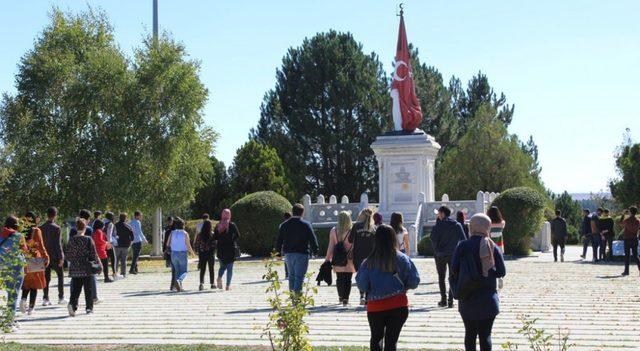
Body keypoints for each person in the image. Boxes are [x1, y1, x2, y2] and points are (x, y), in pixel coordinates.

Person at [356, 224, 420, 351]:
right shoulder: (403, 259)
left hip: (375, 307)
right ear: (393, 238)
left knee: (376, 339)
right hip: (398, 306)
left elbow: (362, 285)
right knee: (391, 342)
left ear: (376, 240)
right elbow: (414, 281)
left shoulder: (368, 262)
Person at [451, 213, 506, 351]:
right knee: (485, 336)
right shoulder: (492, 246)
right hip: (488, 300)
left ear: (471, 227)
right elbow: (501, 272)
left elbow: (453, 268)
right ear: (488, 227)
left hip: (467, 298)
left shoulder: (462, 246)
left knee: (469, 335)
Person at [276, 204, 319, 294]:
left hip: (288, 254)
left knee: (291, 276)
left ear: (292, 212)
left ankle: (293, 297)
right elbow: (312, 238)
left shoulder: (284, 225)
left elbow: (279, 240)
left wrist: (278, 254)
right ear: (302, 213)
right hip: (302, 253)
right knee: (299, 277)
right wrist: (315, 251)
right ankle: (296, 298)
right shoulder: (306, 225)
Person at [430, 206, 466, 308]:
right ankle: (451, 301)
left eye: (439, 213)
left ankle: (443, 300)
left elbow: (432, 239)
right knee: (452, 277)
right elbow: (463, 240)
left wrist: (436, 250)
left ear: (442, 214)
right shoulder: (457, 225)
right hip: (453, 254)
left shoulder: (437, 226)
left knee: (441, 277)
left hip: (440, 255)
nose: (438, 215)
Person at [66, 218, 101, 316]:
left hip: (74, 268)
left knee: (75, 289)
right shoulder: (88, 239)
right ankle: (89, 308)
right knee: (88, 289)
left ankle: (72, 304)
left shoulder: (71, 240)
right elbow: (94, 254)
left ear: (76, 228)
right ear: (85, 228)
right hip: (86, 268)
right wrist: (99, 265)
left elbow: (68, 256)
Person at [19, 211, 50, 315]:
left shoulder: (21, 231)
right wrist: (46, 257)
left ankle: (23, 299)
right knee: (35, 285)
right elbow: (41, 246)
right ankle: (31, 308)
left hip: (24, 258)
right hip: (35, 259)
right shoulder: (36, 231)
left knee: (26, 283)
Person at [1, 216, 28, 332]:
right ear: (16, 225)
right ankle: (9, 323)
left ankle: (9, 320)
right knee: (13, 295)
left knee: (6, 294)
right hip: (16, 268)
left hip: (2, 267)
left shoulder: (1, 234)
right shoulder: (19, 236)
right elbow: (25, 250)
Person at [325, 211, 355, 306]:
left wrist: (327, 259)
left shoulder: (334, 230)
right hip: (350, 258)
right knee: (348, 279)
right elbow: (355, 245)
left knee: (339, 278)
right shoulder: (352, 231)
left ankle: (340, 297)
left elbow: (331, 246)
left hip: (337, 258)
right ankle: (346, 298)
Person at [348, 208, 377, 305]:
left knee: (360, 275)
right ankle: (368, 297)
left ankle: (361, 296)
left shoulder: (356, 226)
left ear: (361, 215)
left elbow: (350, 240)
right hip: (371, 256)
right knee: (370, 276)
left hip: (358, 255)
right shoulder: (374, 228)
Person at [41, 207, 66, 306]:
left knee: (46, 278)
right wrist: (61, 257)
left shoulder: (41, 227)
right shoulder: (57, 228)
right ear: (55, 215)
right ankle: (61, 297)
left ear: (47, 215)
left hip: (45, 257)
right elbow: (58, 244)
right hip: (55, 257)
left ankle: (45, 298)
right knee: (60, 276)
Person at [215, 209, 241, 291]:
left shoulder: (218, 225)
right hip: (230, 249)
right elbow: (238, 235)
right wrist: (231, 240)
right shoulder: (232, 225)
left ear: (222, 215)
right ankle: (227, 286)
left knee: (222, 266)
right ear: (229, 215)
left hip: (221, 249)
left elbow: (215, 237)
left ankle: (219, 277)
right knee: (230, 268)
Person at [166, 217, 195, 292]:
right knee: (184, 271)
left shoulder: (172, 232)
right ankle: (178, 281)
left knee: (177, 271)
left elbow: (167, 243)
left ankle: (178, 287)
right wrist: (192, 253)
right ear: (183, 225)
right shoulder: (185, 233)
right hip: (182, 253)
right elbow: (188, 245)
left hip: (173, 254)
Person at [193, 218, 216, 290]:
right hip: (210, 253)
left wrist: (197, 251)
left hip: (202, 253)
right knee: (211, 269)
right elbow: (214, 244)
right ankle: (212, 284)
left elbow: (197, 244)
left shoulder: (200, 234)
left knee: (202, 269)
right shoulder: (212, 234)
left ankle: (201, 284)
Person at [620, 207, 640, 276]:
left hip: (627, 239)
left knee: (627, 256)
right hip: (634, 238)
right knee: (636, 256)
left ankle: (626, 271)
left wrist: (623, 215)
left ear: (630, 212)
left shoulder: (627, 220)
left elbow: (621, 224)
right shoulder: (638, 220)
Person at [114, 213, 134, 278]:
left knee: (116, 259)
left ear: (119, 218)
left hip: (117, 245)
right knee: (123, 260)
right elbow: (132, 237)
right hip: (125, 245)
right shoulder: (128, 226)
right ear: (125, 218)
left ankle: (115, 273)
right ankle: (123, 274)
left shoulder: (115, 225)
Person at [128, 211, 147, 275]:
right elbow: (139, 231)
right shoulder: (138, 222)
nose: (141, 217)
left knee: (134, 255)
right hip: (138, 240)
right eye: (140, 215)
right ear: (137, 216)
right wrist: (144, 239)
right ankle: (131, 269)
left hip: (132, 241)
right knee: (136, 256)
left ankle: (135, 269)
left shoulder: (130, 222)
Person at [162, 217, 177, 291]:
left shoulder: (175, 230)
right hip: (171, 250)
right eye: (168, 221)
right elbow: (165, 241)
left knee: (174, 269)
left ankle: (174, 284)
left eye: (170, 221)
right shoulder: (167, 230)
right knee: (174, 268)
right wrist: (164, 250)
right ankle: (173, 285)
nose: (169, 223)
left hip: (174, 249)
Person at [103, 212, 117, 280]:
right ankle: (114, 273)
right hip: (108, 243)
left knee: (105, 259)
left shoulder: (102, 222)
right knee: (113, 258)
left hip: (102, 242)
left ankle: (106, 274)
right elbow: (109, 234)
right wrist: (109, 243)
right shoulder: (110, 224)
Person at [280, 212, 292, 279]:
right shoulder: (294, 224)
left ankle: (287, 274)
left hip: (285, 244)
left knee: (286, 260)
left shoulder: (282, 225)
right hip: (293, 244)